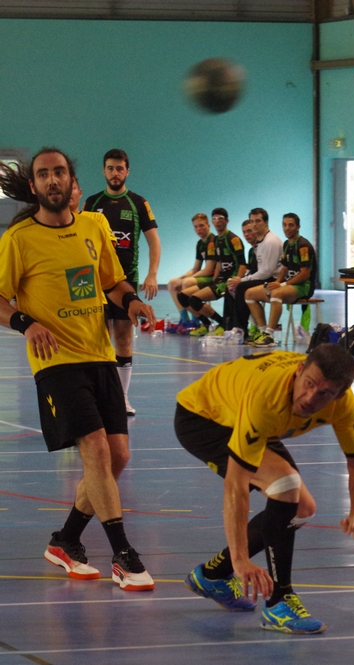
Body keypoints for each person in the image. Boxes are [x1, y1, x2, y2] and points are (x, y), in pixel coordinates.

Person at [0, 149, 157, 591]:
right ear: (34, 186)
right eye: (43, 174)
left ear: (72, 181)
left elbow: (111, 281)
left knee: (118, 456)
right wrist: (26, 324)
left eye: (60, 172)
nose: (53, 180)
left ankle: (66, 540)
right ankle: (123, 555)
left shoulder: (93, 226)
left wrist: (132, 301)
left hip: (99, 355)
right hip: (56, 362)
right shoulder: (19, 238)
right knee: (97, 451)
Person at [175, 344, 354, 634]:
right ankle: (279, 602)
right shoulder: (268, 398)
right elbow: (236, 485)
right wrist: (241, 560)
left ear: (339, 395)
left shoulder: (343, 405)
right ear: (299, 371)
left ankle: (213, 575)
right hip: (204, 418)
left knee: (302, 509)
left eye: (324, 393)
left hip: (246, 415)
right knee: (286, 485)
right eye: (309, 384)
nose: (310, 398)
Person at [83, 148, 160, 416]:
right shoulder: (91, 203)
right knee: (99, 341)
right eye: (110, 168)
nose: (115, 173)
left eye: (119, 168)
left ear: (127, 171)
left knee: (123, 340)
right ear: (103, 171)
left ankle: (122, 398)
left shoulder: (138, 203)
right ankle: (98, 397)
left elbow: (154, 241)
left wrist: (152, 274)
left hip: (126, 282)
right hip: (95, 283)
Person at [246, 213, 316, 347]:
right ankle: (263, 331)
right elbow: (284, 267)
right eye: (284, 225)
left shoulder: (303, 246)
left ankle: (270, 335)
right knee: (249, 293)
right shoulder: (287, 244)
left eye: (291, 225)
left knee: (276, 293)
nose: (287, 228)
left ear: (298, 227)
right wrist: (277, 282)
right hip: (288, 285)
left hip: (304, 287)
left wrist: (282, 285)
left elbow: (304, 274)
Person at [178, 208, 247, 335]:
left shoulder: (233, 239)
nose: (217, 221)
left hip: (229, 281)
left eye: (220, 218)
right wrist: (215, 280)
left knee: (194, 299)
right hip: (219, 280)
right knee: (182, 296)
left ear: (227, 221)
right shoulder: (215, 241)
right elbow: (219, 262)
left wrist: (237, 281)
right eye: (214, 219)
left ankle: (222, 323)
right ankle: (208, 324)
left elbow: (243, 264)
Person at [227, 208, 282, 340]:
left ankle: (240, 329)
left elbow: (266, 272)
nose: (254, 225)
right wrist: (240, 278)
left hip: (275, 279)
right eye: (252, 221)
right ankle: (231, 326)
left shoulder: (270, 241)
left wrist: (242, 280)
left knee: (241, 287)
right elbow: (259, 269)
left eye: (258, 221)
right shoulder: (260, 242)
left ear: (266, 222)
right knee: (231, 287)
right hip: (266, 276)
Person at [167, 213, 217, 330]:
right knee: (172, 282)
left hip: (214, 277)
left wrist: (186, 279)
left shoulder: (212, 242)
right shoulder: (200, 244)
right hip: (205, 275)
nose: (198, 229)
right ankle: (184, 320)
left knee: (187, 283)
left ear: (208, 226)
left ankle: (196, 320)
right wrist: (182, 277)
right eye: (196, 226)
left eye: (201, 225)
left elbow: (208, 270)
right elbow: (195, 268)